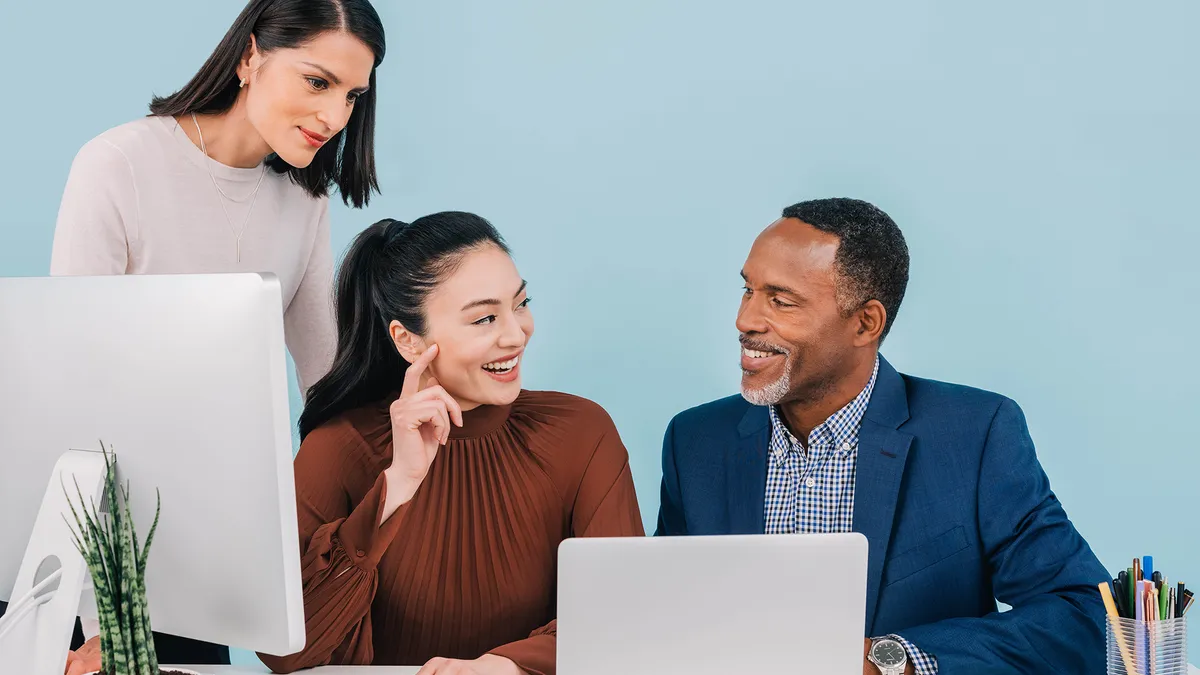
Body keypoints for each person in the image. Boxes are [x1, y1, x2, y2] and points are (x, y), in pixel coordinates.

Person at [37, 1, 387, 671]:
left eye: (351, 95)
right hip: (75, 567)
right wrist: (98, 614)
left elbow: (329, 393)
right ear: (251, 56)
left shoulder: (301, 203)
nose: (335, 117)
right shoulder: (119, 165)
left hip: (190, 568)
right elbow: (71, 401)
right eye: (317, 82)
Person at [655, 198, 1108, 674]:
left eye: (780, 301)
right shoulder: (696, 442)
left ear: (865, 322)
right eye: (747, 290)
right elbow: (667, 615)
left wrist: (891, 660)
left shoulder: (974, 436)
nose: (745, 320)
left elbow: (1086, 617)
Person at [259, 212, 644, 675]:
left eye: (519, 304)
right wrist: (398, 485)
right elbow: (285, 652)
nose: (516, 333)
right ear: (409, 341)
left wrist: (509, 666)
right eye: (484, 318)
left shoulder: (583, 433)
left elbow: (624, 616)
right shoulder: (339, 448)